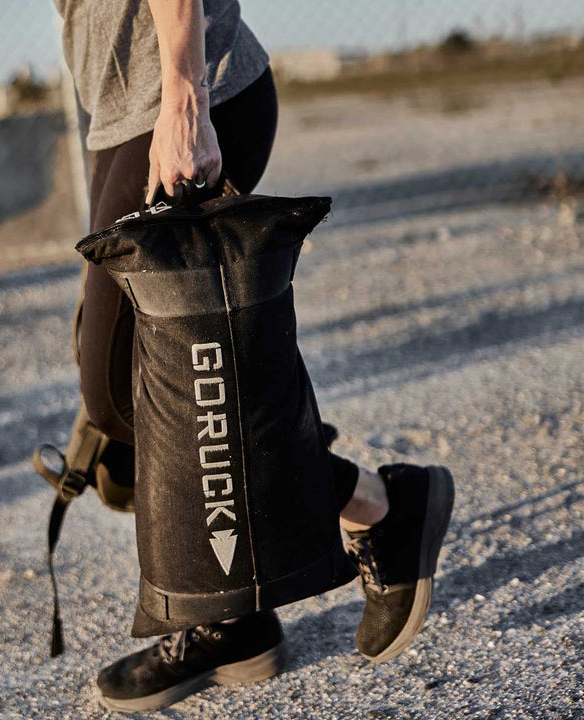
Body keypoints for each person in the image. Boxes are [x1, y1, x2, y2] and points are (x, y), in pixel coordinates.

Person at [53, 0, 454, 712]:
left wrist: (184, 96)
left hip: (183, 95)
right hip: (122, 108)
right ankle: (229, 617)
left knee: (119, 391)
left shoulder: (182, 96)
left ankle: (379, 506)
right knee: (173, 374)